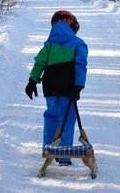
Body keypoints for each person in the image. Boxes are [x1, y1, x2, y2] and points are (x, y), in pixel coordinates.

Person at [25, 10, 88, 166]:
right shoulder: (79, 44)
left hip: (51, 84)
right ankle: (64, 156)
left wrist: (32, 80)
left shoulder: (49, 45)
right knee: (67, 118)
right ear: (72, 26)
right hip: (68, 85)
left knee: (52, 115)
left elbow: (40, 62)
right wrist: (79, 85)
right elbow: (80, 65)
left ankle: (49, 151)